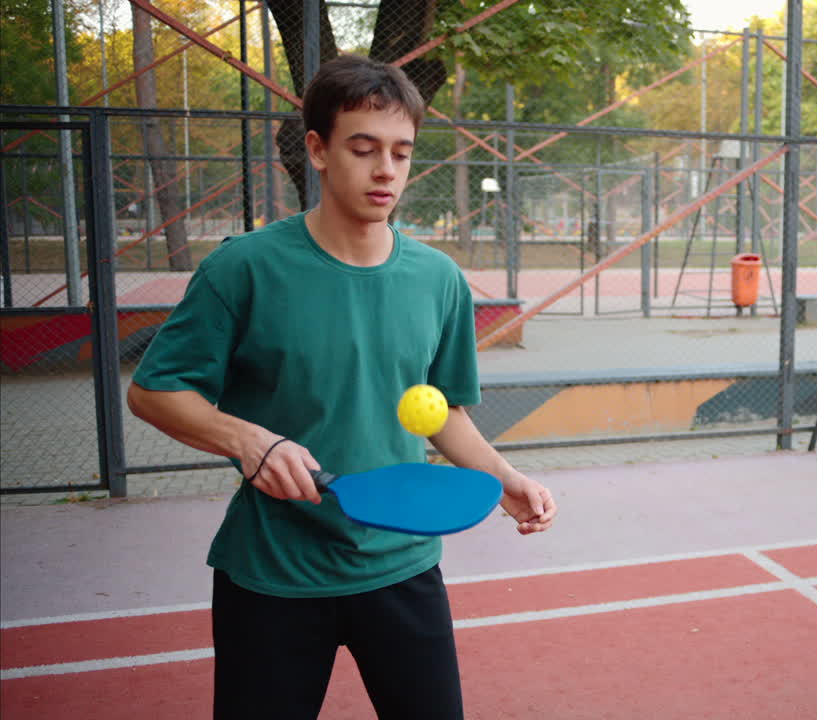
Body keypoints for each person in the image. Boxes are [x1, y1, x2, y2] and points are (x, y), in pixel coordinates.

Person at [127, 54, 556, 719]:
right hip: (274, 573)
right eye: (364, 148)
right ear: (318, 150)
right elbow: (154, 391)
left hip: (404, 567)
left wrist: (504, 478)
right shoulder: (243, 269)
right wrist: (248, 440)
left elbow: (442, 414)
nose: (386, 169)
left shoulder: (438, 280)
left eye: (401, 152)